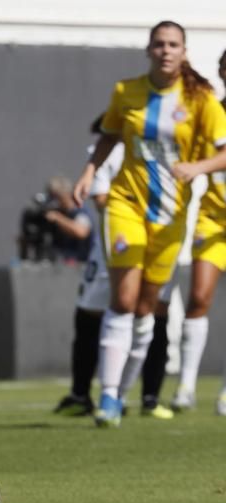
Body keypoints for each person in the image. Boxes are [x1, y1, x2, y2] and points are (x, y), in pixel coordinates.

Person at [72, 21, 226, 428]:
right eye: (159, 44)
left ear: (184, 51)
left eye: (173, 44)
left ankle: (121, 394)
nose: (165, 51)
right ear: (149, 50)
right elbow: (109, 135)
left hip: (172, 215)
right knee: (123, 299)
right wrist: (90, 172)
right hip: (127, 206)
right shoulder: (127, 92)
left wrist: (198, 166)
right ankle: (106, 396)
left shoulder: (201, 100)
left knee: (147, 309)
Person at [55, 117, 185, 419]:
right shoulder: (107, 153)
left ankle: (146, 396)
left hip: (158, 242)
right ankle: (85, 393)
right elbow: (100, 199)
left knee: (151, 313)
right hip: (112, 250)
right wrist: (133, 206)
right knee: (93, 315)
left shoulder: (161, 150)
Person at [171, 48, 226, 414]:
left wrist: (198, 167)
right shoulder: (212, 110)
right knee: (199, 298)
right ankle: (186, 388)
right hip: (214, 215)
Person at [18, 176, 92, 263]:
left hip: (80, 264)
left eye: (57, 197)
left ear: (66, 194)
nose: (54, 201)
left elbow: (81, 232)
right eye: (51, 197)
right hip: (57, 264)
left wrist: (57, 218)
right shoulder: (53, 213)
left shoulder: (79, 211)